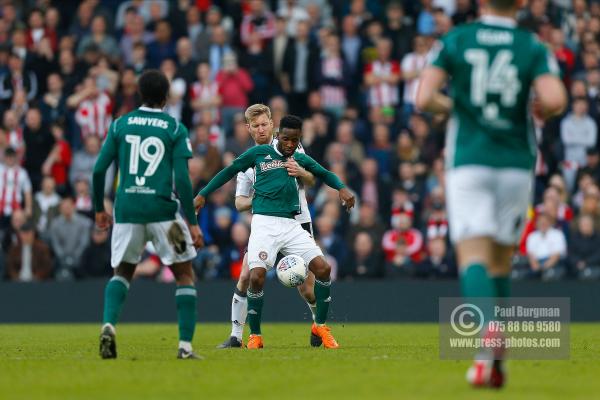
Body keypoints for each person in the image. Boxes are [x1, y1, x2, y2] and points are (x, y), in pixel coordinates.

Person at [416, 0, 567, 389]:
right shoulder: (533, 46)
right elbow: (553, 100)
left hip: (470, 158)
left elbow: (424, 98)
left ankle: (489, 330)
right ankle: (488, 362)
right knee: (501, 260)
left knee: (473, 255)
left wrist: (461, 110)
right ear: (520, 4)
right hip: (517, 161)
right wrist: (527, 109)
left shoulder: (456, 39)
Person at [195, 115, 355, 349]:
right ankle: (253, 336)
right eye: (287, 139)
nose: (290, 144)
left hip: (292, 223)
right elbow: (228, 173)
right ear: (277, 135)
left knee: (323, 269)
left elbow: (322, 173)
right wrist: (202, 194)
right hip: (264, 223)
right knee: (255, 276)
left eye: (294, 140)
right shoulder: (256, 155)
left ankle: (320, 325)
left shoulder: (298, 157)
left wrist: (342, 188)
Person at [92, 70, 204, 360]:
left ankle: (108, 326)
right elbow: (182, 179)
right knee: (184, 274)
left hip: (127, 209)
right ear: (166, 97)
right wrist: (192, 223)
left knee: (123, 272)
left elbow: (98, 170)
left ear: (139, 94)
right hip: (164, 213)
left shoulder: (120, 125)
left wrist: (98, 209)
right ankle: (185, 347)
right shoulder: (174, 128)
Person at [216, 104, 321, 349]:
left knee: (306, 288)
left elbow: (311, 178)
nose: (261, 129)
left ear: (272, 124)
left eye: (265, 124)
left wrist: (302, 173)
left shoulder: (289, 145)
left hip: (297, 221)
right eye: (256, 125)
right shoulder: (248, 161)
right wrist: (259, 199)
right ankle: (235, 336)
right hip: (266, 224)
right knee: (245, 276)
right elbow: (239, 202)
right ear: (248, 128)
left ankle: (318, 322)